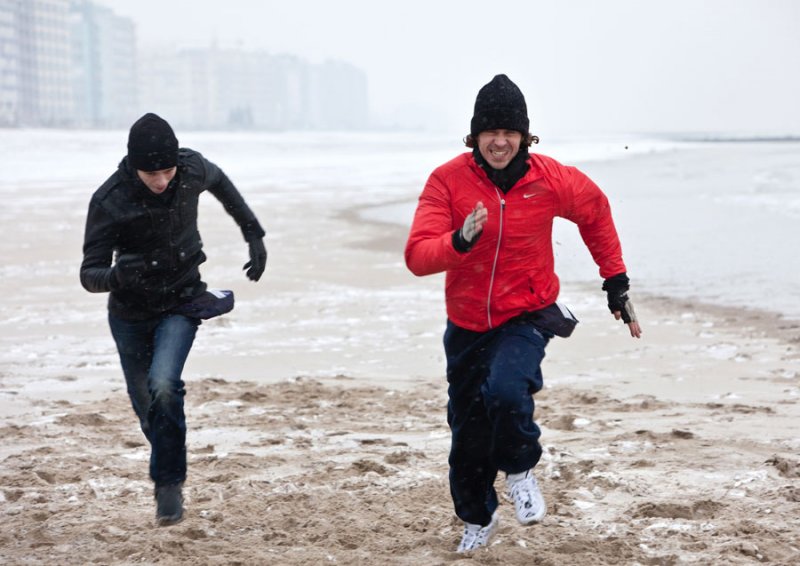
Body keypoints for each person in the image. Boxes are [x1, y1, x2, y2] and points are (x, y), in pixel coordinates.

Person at [404, 74, 642, 553]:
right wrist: (459, 241)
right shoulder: (447, 181)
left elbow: (596, 212)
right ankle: (478, 520)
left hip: (527, 313)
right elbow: (417, 256)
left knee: (508, 390)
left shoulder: (550, 179)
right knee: (467, 437)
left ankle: (520, 470)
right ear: (474, 136)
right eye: (490, 132)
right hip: (467, 324)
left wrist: (615, 281)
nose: (499, 141)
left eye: (509, 132)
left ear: (525, 136)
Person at [79, 113, 267, 525]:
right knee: (148, 408)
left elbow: (220, 182)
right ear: (134, 167)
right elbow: (89, 274)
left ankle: (168, 484)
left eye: (168, 171)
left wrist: (253, 232)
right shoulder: (109, 200)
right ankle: (168, 458)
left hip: (182, 302)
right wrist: (117, 276)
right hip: (130, 315)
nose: (163, 180)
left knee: (164, 386)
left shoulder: (191, 167)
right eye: (152, 174)